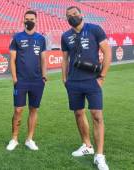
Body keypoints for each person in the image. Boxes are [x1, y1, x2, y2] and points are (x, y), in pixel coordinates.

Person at [61, 6, 111, 170]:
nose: (72, 17)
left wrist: (102, 77)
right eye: (69, 15)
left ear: (81, 14)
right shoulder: (65, 36)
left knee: (97, 115)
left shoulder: (95, 29)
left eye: (74, 14)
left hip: (92, 80)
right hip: (74, 81)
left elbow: (107, 51)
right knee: (78, 113)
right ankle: (87, 145)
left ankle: (99, 155)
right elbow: (65, 59)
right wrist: (64, 79)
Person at [6, 10, 47, 151]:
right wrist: (15, 78)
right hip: (21, 81)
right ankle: (14, 139)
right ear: (23, 21)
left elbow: (43, 59)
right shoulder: (17, 37)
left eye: (32, 19)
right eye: (27, 19)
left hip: (37, 81)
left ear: (36, 21)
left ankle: (29, 139)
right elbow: (12, 59)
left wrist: (44, 76)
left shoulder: (41, 39)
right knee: (18, 110)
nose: (29, 21)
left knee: (33, 109)